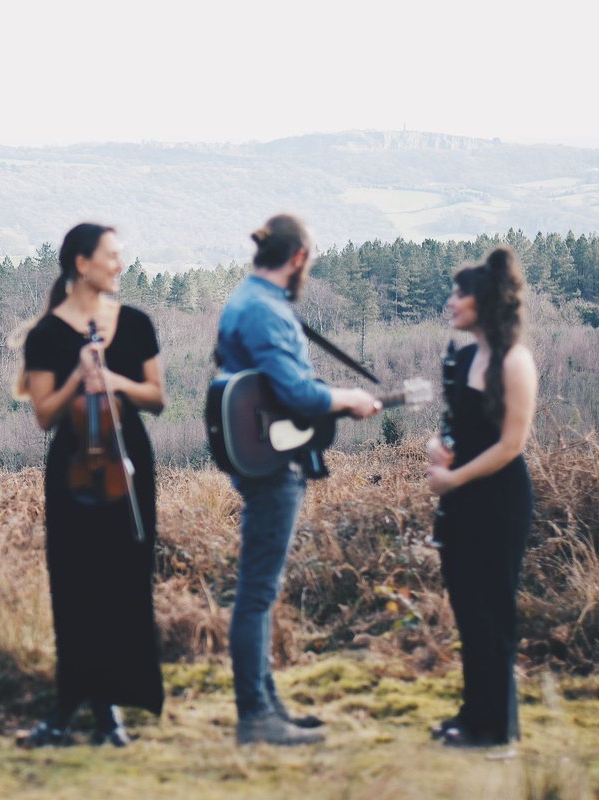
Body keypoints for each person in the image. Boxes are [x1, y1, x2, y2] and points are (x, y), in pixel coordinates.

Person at [214, 214, 380, 746]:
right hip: (272, 464)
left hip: (268, 456)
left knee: (262, 588)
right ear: (299, 257)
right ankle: (255, 717)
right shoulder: (265, 310)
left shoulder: (249, 299)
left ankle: (267, 706)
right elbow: (298, 395)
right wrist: (348, 399)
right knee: (258, 591)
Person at [14, 223, 165, 747]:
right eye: (111, 256)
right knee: (76, 586)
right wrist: (80, 375)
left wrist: (113, 380)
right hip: (75, 469)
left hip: (129, 464)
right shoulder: (47, 336)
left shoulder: (137, 323)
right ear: (82, 263)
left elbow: (156, 398)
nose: (120, 265)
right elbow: (44, 415)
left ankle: (114, 707)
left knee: (124, 583)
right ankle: (78, 706)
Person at [426, 246, 536, 748]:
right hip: (463, 501)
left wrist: (455, 479)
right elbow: (460, 430)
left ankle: (497, 731)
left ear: (482, 301)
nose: (451, 302)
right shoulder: (465, 357)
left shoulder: (515, 362)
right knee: (468, 609)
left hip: (497, 503)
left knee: (494, 613)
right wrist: (439, 450)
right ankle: (474, 717)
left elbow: (512, 446)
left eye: (458, 294)